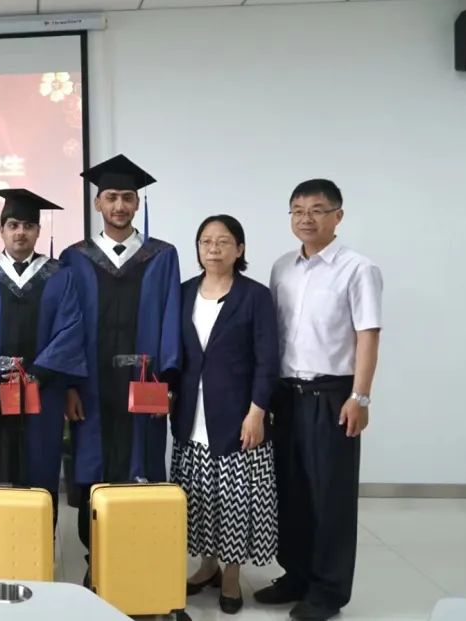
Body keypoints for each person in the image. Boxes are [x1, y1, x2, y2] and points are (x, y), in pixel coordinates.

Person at [254, 179, 382, 621]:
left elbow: (368, 336)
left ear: (337, 216)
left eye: (316, 210)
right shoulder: (281, 268)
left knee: (330, 496)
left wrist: (360, 396)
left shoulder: (358, 268)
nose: (305, 218)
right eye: (297, 210)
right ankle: (296, 575)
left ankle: (328, 591)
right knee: (291, 491)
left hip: (332, 396)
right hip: (286, 397)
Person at [58, 154, 181, 582]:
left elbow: (170, 319)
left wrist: (166, 381)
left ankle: (137, 563)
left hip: (142, 383)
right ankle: (96, 561)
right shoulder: (75, 258)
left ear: (137, 203)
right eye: (111, 197)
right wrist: (69, 386)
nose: (120, 206)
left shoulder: (161, 256)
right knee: (92, 465)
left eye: (128, 197)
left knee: (141, 462)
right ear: (97, 204)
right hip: (91, 386)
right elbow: (66, 325)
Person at [171, 215, 279, 615]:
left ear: (240, 249)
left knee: (234, 501)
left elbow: (268, 359)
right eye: (206, 241)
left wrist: (257, 412)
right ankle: (207, 566)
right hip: (191, 413)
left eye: (223, 241)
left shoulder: (255, 296)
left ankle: (231, 576)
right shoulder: (183, 292)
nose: (213, 249)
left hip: (237, 415)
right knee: (200, 498)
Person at [0, 189, 86, 503]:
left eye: (28, 226)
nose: (20, 232)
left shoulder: (59, 275)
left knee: (39, 464)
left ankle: (38, 532)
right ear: (1, 230)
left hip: (42, 389)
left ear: (38, 231)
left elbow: (69, 328)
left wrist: (36, 372)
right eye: (13, 225)